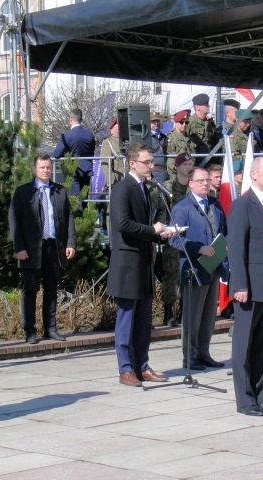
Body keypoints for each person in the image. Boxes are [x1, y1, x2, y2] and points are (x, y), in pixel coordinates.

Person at [106, 142, 176, 387]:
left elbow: (146, 228)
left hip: (145, 262)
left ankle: (142, 365)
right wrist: (151, 230)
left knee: (144, 321)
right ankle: (126, 369)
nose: (151, 166)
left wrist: (162, 234)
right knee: (126, 319)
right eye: (147, 162)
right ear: (132, 163)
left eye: (152, 161)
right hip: (128, 264)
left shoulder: (146, 188)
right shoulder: (122, 188)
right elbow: (122, 224)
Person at [227, 156, 263, 417]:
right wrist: (240, 285)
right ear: (254, 175)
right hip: (249, 287)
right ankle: (245, 400)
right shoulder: (243, 205)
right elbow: (236, 248)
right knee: (244, 347)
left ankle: (259, 396)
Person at [9, 154, 77, 344]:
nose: (45, 170)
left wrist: (71, 243)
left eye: (48, 167)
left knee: (51, 290)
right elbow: (14, 221)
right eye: (42, 167)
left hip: (53, 248)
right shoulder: (23, 192)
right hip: (31, 250)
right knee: (30, 291)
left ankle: (51, 328)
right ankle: (30, 331)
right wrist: (19, 247)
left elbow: (69, 217)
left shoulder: (59, 191)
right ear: (34, 169)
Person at [169, 167, 227, 370]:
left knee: (209, 315)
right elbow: (174, 239)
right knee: (192, 317)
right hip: (194, 268)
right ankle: (190, 356)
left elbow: (223, 231)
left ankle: (203, 353)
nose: (205, 184)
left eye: (207, 180)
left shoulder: (215, 204)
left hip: (213, 266)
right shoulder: (182, 208)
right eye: (200, 181)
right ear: (191, 183)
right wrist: (198, 248)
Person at [160, 152, 194, 326]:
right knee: (171, 275)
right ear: (176, 167)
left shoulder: (193, 186)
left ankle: (184, 311)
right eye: (185, 164)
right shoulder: (168, 187)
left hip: (190, 236)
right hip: (173, 237)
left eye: (190, 164)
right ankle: (168, 312)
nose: (188, 167)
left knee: (187, 274)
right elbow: (162, 211)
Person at [52, 108, 96, 196]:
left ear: (70, 119)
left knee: (74, 199)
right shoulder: (90, 134)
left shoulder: (67, 135)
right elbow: (92, 151)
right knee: (84, 198)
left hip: (73, 170)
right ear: (81, 119)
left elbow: (56, 154)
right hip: (87, 169)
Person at [167, 109, 196, 183]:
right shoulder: (171, 139)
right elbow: (170, 161)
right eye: (181, 122)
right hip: (177, 176)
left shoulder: (190, 139)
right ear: (176, 123)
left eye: (186, 122)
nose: (184, 124)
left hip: (190, 174)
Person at [150, 112, 169, 182]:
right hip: (153, 172)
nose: (156, 123)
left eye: (157, 121)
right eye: (153, 121)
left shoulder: (165, 137)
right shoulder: (146, 138)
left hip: (165, 171)